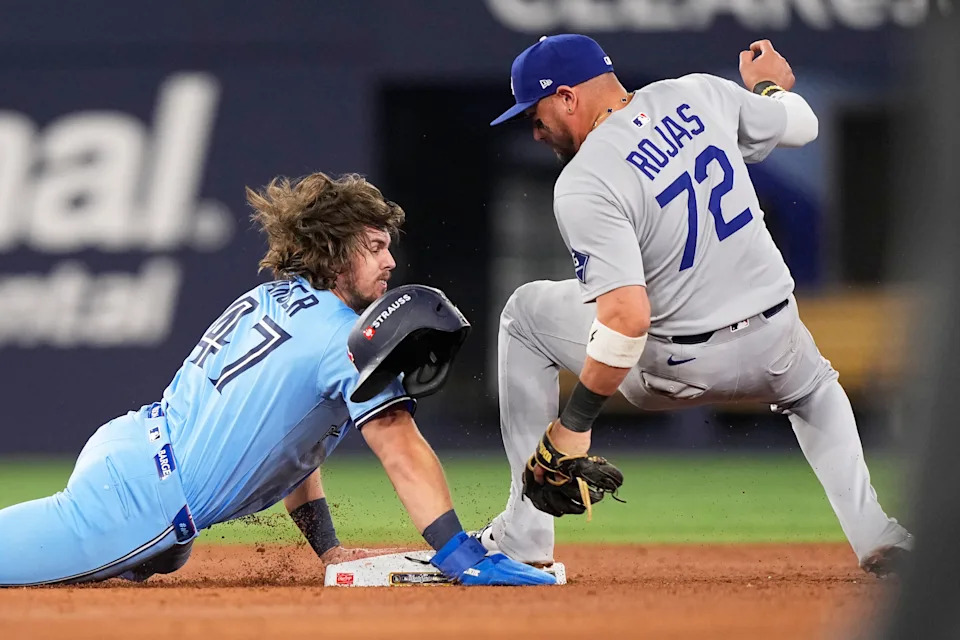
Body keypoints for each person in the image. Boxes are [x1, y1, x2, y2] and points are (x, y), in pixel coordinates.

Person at [479, 34, 911, 576]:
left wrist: (574, 425)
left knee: (524, 314)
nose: (535, 129)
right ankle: (876, 534)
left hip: (676, 367)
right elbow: (803, 125)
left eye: (535, 113)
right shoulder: (699, 94)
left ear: (567, 97)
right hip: (776, 339)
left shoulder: (584, 180)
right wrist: (768, 89)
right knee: (816, 389)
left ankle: (525, 537)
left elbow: (626, 318)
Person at [0, 171, 555, 587]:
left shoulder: (274, 296)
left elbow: (295, 445)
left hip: (131, 452)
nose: (390, 261)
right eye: (375, 247)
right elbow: (399, 446)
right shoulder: (345, 342)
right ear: (335, 253)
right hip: (137, 503)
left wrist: (329, 551)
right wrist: (458, 554)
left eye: (389, 246)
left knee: (165, 555)